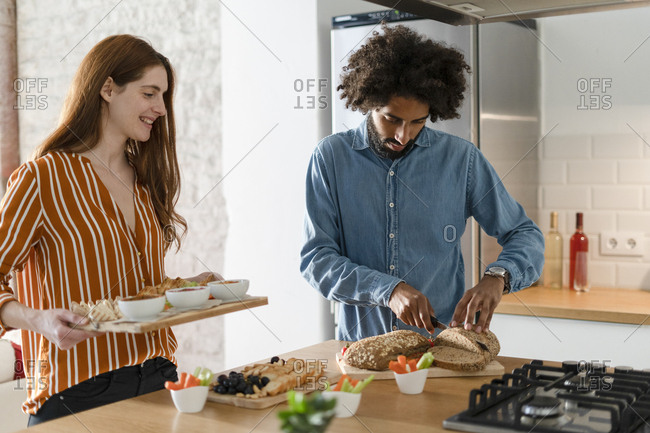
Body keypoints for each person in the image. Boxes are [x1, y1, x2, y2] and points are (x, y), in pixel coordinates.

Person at [0, 35, 218, 425]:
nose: (161, 109)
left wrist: (188, 289)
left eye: (164, 96)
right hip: (76, 393)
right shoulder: (42, 178)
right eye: (149, 93)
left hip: (157, 377)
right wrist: (39, 320)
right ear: (107, 88)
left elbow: (130, 289)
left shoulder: (145, 181)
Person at [300, 25, 544, 342]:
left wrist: (498, 276)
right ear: (368, 102)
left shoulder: (461, 159)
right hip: (361, 353)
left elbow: (525, 234)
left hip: (439, 352)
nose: (404, 135)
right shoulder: (331, 158)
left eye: (417, 121)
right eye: (392, 118)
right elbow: (316, 259)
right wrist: (387, 290)